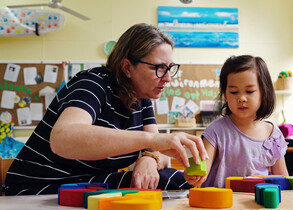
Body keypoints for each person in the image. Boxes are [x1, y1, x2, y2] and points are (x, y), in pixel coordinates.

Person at [5, 23, 208, 196]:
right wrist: (153, 142)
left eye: (170, 67)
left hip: (89, 182)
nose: (168, 78)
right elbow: (63, 138)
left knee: (171, 180)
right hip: (39, 188)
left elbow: (158, 152)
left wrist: (149, 158)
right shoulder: (92, 84)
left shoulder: (142, 96)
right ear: (127, 68)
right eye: (159, 68)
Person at [185, 55, 289, 188]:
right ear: (225, 94)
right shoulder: (216, 130)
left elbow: (282, 179)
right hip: (222, 205)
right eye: (234, 92)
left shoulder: (273, 134)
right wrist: (193, 175)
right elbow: (201, 170)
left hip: (257, 204)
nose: (241, 98)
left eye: (249, 91)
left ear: (264, 92)